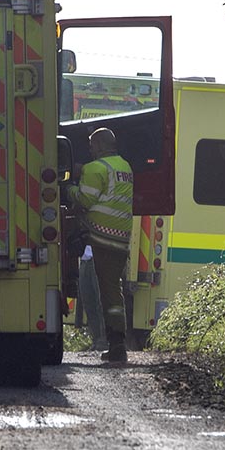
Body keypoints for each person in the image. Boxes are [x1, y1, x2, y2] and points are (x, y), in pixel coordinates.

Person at [71, 127, 134, 363]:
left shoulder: (95, 168)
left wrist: (68, 189)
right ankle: (117, 342)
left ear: (98, 145)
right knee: (114, 289)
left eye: (91, 145)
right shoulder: (124, 167)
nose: (89, 149)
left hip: (102, 238)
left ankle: (117, 345)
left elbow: (84, 200)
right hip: (121, 238)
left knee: (109, 293)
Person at [75, 245, 108, 351]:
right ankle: (96, 339)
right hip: (84, 261)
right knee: (87, 302)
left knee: (100, 302)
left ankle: (104, 339)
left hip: (97, 260)